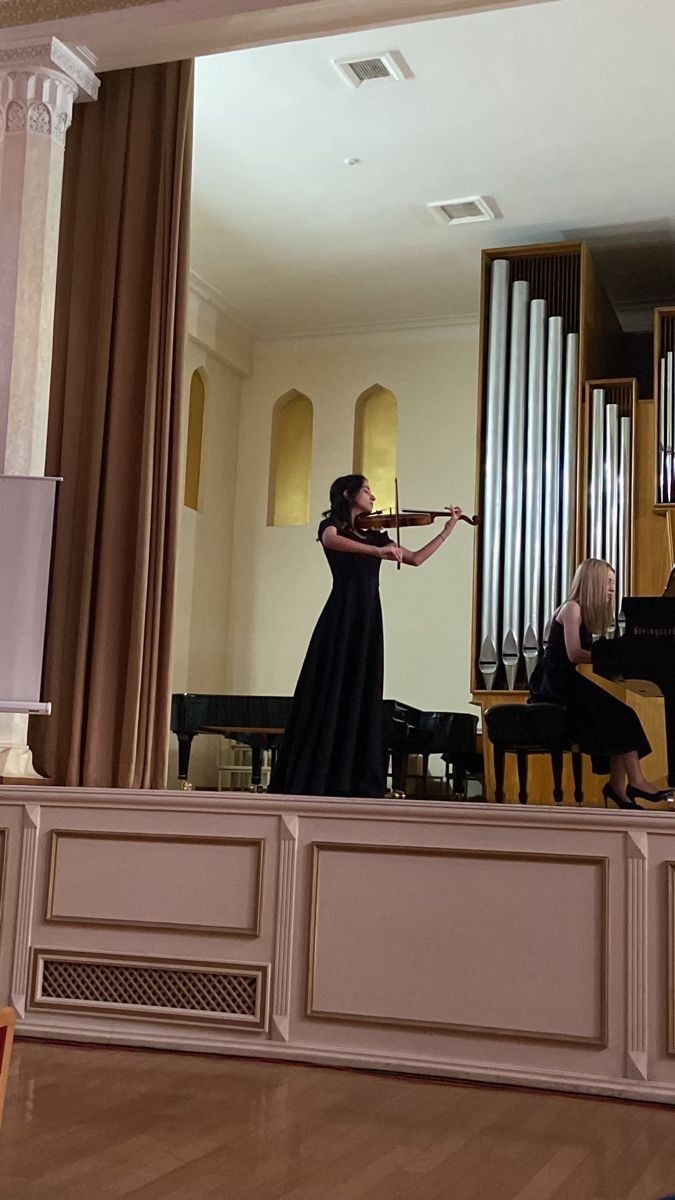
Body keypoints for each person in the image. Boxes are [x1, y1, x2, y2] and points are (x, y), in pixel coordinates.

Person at [269, 474, 462, 798]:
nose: (373, 497)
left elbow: (414, 558)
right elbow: (331, 541)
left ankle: (353, 777)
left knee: (362, 689)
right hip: (341, 615)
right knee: (330, 688)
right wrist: (377, 553)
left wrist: (448, 529)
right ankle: (318, 774)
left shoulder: (378, 535)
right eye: (367, 490)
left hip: (368, 618)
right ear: (348, 494)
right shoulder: (334, 527)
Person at [529, 557, 673, 810]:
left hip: (565, 678)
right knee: (622, 714)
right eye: (608, 583)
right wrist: (615, 655)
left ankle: (618, 787)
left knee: (621, 716)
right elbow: (574, 654)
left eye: (613, 584)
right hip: (555, 681)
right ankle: (635, 781)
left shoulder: (580, 610)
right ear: (593, 582)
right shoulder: (571, 608)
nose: (612, 589)